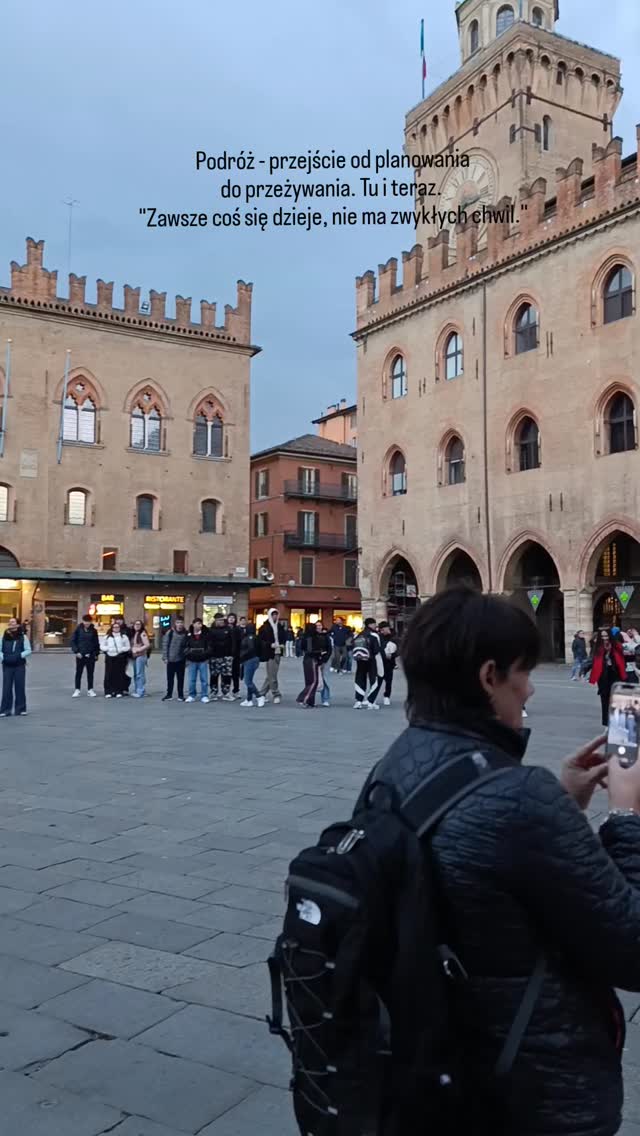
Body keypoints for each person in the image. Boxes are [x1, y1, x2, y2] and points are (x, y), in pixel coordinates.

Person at [354, 586, 640, 1136]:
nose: (530, 687)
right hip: (526, 1090)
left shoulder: (393, 768)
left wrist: (563, 800)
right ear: (489, 677)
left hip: (430, 1066)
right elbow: (631, 947)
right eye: (523, 672)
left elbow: (479, 872)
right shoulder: (517, 797)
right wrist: (626, 816)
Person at [589, 628, 626, 726]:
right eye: (602, 636)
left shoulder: (617, 645)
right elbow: (591, 660)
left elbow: (624, 659)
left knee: (616, 700)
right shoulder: (597, 647)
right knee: (605, 700)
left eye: (606, 636)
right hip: (603, 677)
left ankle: (617, 723)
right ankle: (607, 723)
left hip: (616, 675)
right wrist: (583, 670)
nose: (605, 638)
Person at [0, 617, 31, 717]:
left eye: (13, 622)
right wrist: (3, 657)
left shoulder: (23, 636)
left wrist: (18, 656)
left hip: (19, 665)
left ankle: (21, 709)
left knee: (19, 686)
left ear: (17, 624)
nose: (10, 623)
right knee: (6, 687)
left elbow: (28, 650)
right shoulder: (3, 637)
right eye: (10, 622)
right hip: (7, 665)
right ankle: (5, 710)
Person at [353, 617, 384, 710]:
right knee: (373, 679)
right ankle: (371, 701)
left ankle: (359, 701)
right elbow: (376, 650)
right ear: (370, 625)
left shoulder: (358, 635)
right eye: (374, 624)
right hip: (371, 660)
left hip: (360, 660)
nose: (375, 626)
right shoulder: (374, 635)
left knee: (360, 678)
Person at [258, 608, 287, 704]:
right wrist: (269, 644)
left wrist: (282, 643)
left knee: (270, 675)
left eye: (276, 614)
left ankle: (261, 694)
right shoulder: (264, 627)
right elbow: (260, 641)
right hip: (269, 653)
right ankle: (276, 694)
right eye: (273, 614)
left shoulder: (279, 626)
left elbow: (283, 637)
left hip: (278, 651)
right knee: (272, 675)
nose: (275, 616)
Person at [70, 614, 100, 697]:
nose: (87, 624)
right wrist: (76, 652)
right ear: (83, 621)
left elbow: (96, 643)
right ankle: (77, 689)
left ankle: (90, 689)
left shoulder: (94, 631)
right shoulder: (78, 630)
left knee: (90, 673)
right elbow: (73, 641)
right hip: (80, 654)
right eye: (85, 622)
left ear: (91, 622)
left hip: (90, 655)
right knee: (78, 672)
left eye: (88, 622)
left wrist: (96, 653)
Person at [100, 620, 130, 699]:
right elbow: (102, 646)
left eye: (117, 627)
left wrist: (121, 649)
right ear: (112, 628)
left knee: (119, 674)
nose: (116, 628)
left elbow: (127, 647)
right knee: (109, 674)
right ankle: (108, 691)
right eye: (114, 627)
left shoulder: (124, 636)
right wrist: (108, 649)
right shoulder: (107, 636)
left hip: (119, 657)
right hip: (109, 657)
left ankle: (118, 691)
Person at [296, 623, 324, 709]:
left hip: (307, 659)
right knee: (313, 681)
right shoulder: (311, 638)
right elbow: (309, 650)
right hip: (312, 659)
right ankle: (303, 698)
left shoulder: (305, 637)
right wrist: (319, 652)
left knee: (309, 681)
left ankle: (310, 701)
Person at [208, 611, 234, 700]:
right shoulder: (211, 630)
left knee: (226, 675)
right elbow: (209, 643)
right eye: (219, 620)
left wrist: (231, 654)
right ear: (215, 620)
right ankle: (213, 692)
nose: (221, 622)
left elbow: (232, 642)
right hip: (214, 656)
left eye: (222, 620)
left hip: (226, 656)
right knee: (214, 675)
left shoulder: (228, 629)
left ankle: (226, 692)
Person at [161, 616, 188, 702]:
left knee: (181, 678)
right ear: (175, 624)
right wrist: (165, 657)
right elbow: (165, 644)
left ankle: (181, 695)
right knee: (170, 678)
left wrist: (187, 659)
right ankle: (169, 694)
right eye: (178, 622)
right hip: (171, 659)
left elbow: (188, 646)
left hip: (181, 659)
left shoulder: (186, 633)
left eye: (181, 622)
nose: (180, 624)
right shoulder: (170, 633)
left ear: (183, 623)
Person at [185, 619, 210, 703]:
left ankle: (204, 695)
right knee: (192, 679)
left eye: (200, 624)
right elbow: (184, 646)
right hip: (192, 660)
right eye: (197, 623)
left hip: (203, 660)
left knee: (204, 679)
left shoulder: (206, 634)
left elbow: (209, 646)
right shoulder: (188, 635)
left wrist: (205, 654)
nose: (199, 625)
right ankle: (191, 695)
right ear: (193, 624)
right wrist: (188, 654)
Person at [239, 621, 263, 706]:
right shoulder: (255, 637)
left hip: (249, 659)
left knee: (248, 681)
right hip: (254, 659)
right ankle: (249, 699)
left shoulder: (249, 638)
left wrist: (242, 656)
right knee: (250, 680)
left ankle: (259, 696)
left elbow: (250, 649)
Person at [378, 620, 398, 705]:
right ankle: (372, 698)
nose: (382, 631)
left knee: (388, 681)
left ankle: (387, 697)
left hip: (390, 663)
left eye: (384, 629)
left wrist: (392, 655)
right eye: (381, 630)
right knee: (377, 681)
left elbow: (399, 649)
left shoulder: (394, 637)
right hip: (379, 662)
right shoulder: (378, 637)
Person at [130, 619, 150, 697]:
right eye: (136, 624)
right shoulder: (135, 633)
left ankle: (140, 691)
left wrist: (138, 649)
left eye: (139, 624)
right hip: (135, 656)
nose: (137, 626)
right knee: (136, 674)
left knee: (139, 674)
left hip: (140, 656)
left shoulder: (142, 634)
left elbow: (147, 644)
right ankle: (138, 689)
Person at [315, 621, 332, 706]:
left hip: (325, 660)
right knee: (314, 680)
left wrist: (325, 659)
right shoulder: (312, 636)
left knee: (325, 679)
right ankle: (311, 698)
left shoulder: (326, 637)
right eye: (317, 625)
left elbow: (329, 649)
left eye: (320, 625)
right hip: (315, 660)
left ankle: (325, 698)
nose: (318, 627)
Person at [226, 612, 243, 698]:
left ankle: (236, 691)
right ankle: (226, 691)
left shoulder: (238, 629)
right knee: (227, 674)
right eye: (230, 617)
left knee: (235, 674)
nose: (231, 619)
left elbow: (240, 642)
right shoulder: (225, 629)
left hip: (236, 655)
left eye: (233, 618)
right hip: (226, 655)